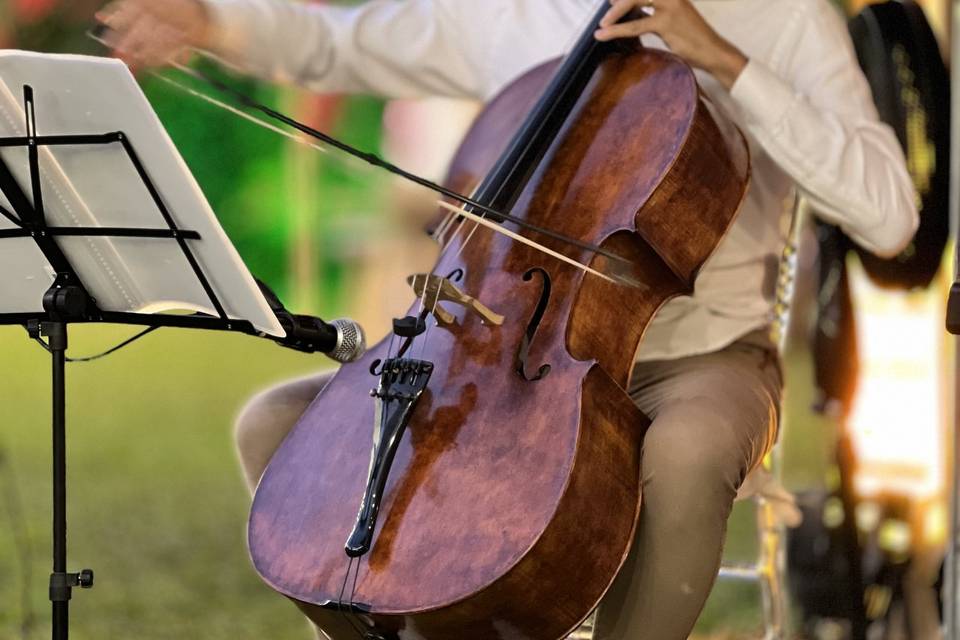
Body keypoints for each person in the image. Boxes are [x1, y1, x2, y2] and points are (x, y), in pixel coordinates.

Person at [96, 0, 919, 638]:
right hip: (511, 348)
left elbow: (890, 215)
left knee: (691, 448)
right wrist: (209, 21)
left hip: (699, 358)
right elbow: (348, 43)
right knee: (277, 425)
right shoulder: (517, 10)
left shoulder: (784, 16)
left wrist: (729, 63)